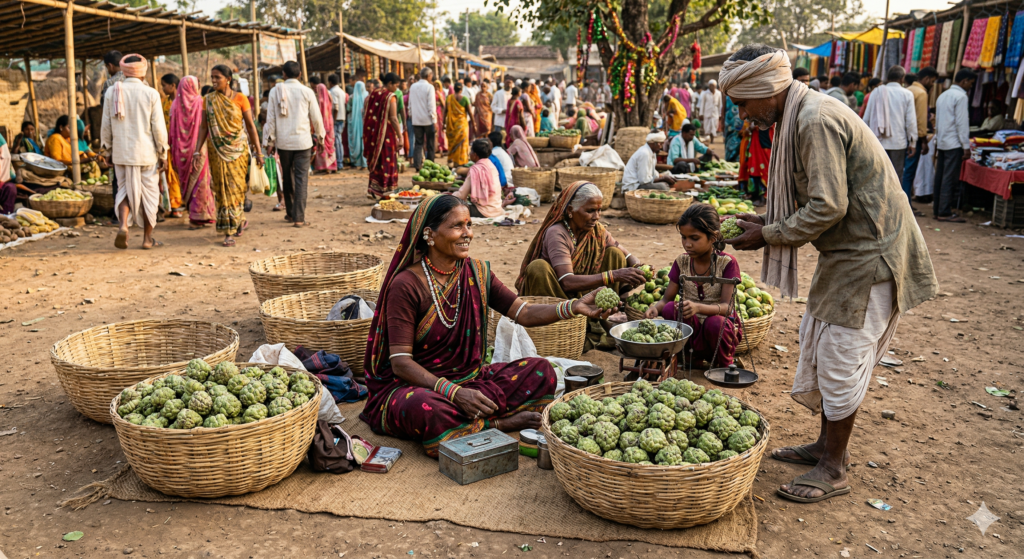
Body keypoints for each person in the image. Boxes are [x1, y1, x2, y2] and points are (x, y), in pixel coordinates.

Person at [719, 44, 937, 503]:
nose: (743, 116)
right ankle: (824, 446)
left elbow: (828, 205)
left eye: (742, 104)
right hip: (846, 252)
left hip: (870, 254)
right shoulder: (800, 114)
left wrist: (770, 233)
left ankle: (834, 468)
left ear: (765, 88)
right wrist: (767, 223)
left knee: (840, 356)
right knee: (819, 341)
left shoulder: (814, 119)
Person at [359, 194, 613, 456]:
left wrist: (574, 307)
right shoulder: (406, 284)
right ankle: (496, 423)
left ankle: (471, 421)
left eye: (469, 225)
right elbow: (401, 362)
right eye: (457, 226)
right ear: (429, 234)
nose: (467, 233)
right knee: (429, 410)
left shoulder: (477, 272)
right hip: (421, 387)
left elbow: (524, 312)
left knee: (542, 370)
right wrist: (454, 393)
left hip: (471, 379)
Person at [645, 203, 742, 367]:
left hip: (718, 330)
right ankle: (691, 357)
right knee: (670, 308)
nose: (687, 244)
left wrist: (698, 308)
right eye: (684, 237)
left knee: (715, 323)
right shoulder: (681, 262)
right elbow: (666, 299)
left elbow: (727, 308)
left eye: (694, 238)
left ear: (713, 237)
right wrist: (655, 308)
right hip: (692, 329)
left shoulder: (727, 263)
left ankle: (724, 363)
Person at [516, 181, 646, 300]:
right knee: (538, 267)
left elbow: (626, 255)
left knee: (615, 253)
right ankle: (568, 314)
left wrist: (638, 267)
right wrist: (613, 275)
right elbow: (567, 282)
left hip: (586, 294)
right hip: (558, 297)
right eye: (590, 211)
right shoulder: (557, 233)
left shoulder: (596, 230)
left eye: (599, 210)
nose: (596, 217)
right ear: (570, 210)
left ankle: (612, 305)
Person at [100, 54, 168, 250]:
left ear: (124, 72)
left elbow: (106, 125)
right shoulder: (151, 93)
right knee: (149, 196)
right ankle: (147, 239)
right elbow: (158, 128)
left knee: (123, 191)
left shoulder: (112, 91)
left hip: (121, 153)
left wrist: (107, 150)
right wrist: (163, 153)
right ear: (143, 73)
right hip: (146, 154)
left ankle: (123, 225)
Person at [196, 64, 263, 246]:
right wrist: (197, 150)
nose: (214, 80)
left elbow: (251, 127)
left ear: (228, 79)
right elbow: (204, 127)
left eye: (217, 77)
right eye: (212, 77)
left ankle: (237, 220)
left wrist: (259, 152)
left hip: (238, 152)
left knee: (236, 188)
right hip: (217, 151)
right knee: (222, 190)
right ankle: (229, 230)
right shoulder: (208, 100)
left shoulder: (241, 98)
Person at [263, 61, 324, 229]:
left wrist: (270, 141)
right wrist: (321, 138)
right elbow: (316, 117)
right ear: (300, 75)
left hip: (284, 143)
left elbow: (271, 118)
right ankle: (299, 218)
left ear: (283, 74)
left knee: (287, 178)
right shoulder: (307, 91)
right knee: (301, 179)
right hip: (303, 142)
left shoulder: (275, 91)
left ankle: (290, 213)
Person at [169, 75, 216, 229]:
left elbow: (171, 130)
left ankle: (196, 215)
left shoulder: (175, 105)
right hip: (199, 148)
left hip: (180, 151)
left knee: (188, 182)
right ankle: (199, 216)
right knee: (200, 182)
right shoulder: (200, 102)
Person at [862, 65, 917, 191]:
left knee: (877, 177)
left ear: (887, 78)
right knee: (896, 178)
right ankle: (893, 203)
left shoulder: (876, 92)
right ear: (902, 78)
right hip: (898, 143)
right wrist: (913, 142)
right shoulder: (907, 94)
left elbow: (866, 118)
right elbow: (911, 121)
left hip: (878, 141)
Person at [933, 69, 976, 223]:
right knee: (949, 178)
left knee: (940, 177)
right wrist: (966, 146)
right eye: (970, 83)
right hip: (954, 143)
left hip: (943, 141)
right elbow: (961, 123)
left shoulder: (943, 96)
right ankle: (944, 211)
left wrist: (937, 141)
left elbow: (938, 121)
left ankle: (938, 209)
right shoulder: (961, 97)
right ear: (964, 81)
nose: (971, 86)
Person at [364, 72, 402, 199]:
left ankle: (374, 188)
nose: (396, 88)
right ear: (390, 84)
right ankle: (386, 190)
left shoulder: (374, 93)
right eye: (396, 85)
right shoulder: (390, 97)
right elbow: (394, 118)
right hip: (387, 134)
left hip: (374, 134)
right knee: (387, 160)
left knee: (377, 160)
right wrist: (400, 136)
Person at [453, 139, 508, 218]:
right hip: (497, 210)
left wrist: (447, 196)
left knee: (452, 208)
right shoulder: (491, 166)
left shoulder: (475, 170)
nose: (469, 153)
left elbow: (461, 195)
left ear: (475, 155)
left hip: (483, 212)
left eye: (471, 151)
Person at [159, 73, 183, 216]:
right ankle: (173, 205)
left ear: (173, 86)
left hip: (181, 145)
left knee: (179, 174)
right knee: (170, 174)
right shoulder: (163, 103)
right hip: (167, 144)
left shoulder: (183, 102)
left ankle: (180, 203)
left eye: (164, 85)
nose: (162, 89)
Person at [738, 118, 773, 206]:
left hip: (765, 138)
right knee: (754, 166)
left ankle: (764, 197)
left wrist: (755, 124)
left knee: (765, 167)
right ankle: (755, 194)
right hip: (755, 139)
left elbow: (770, 120)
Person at [409, 68, 437, 171]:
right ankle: (430, 166)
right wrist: (434, 121)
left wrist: (411, 115)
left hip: (416, 120)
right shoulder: (430, 87)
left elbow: (410, 104)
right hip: (428, 120)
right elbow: (431, 106)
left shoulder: (413, 86)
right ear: (429, 75)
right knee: (430, 144)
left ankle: (417, 165)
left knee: (418, 143)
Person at [445, 82, 472, 167]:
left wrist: (443, 123)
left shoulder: (449, 98)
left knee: (452, 142)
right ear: (461, 90)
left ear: (454, 89)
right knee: (462, 142)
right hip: (462, 125)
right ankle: (461, 161)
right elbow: (470, 112)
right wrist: (474, 124)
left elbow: (445, 111)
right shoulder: (465, 99)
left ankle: (451, 160)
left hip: (451, 125)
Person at [313, 83, 338, 174]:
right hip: (330, 123)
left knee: (322, 143)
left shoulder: (320, 100)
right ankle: (332, 166)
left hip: (323, 124)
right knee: (330, 145)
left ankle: (325, 166)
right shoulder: (329, 98)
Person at [328, 74, 347, 169]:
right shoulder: (341, 91)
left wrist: (333, 119)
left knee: (337, 141)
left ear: (330, 82)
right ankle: (339, 162)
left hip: (337, 119)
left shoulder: (332, 91)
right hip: (342, 118)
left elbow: (335, 107)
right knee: (339, 140)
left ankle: (339, 163)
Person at [348, 81, 368, 168]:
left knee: (356, 141)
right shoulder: (367, 96)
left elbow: (348, 109)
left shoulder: (352, 97)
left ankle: (356, 162)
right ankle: (365, 163)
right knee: (364, 141)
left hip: (355, 123)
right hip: (365, 122)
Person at [724, 96, 742, 161]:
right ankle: (729, 161)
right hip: (729, 123)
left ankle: (738, 161)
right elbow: (723, 107)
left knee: (740, 143)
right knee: (729, 142)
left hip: (741, 123)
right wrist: (722, 121)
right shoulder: (726, 93)